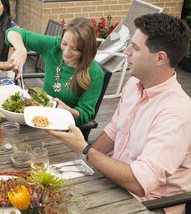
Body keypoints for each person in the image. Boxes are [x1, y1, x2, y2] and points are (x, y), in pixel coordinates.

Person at [45, 13, 191, 214]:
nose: (126, 51)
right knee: (45, 189)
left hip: (149, 205)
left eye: (136, 48)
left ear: (160, 58)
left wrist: (85, 149)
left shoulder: (176, 113)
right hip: (116, 182)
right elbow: (114, 131)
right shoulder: (134, 84)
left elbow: (140, 183)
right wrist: (81, 161)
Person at [6, 18, 104, 126]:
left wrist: (67, 110)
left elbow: (85, 115)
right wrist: (21, 49)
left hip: (65, 126)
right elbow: (12, 32)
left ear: (86, 49)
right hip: (39, 117)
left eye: (74, 49)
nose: (66, 52)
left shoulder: (94, 72)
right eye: (64, 43)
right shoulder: (54, 46)